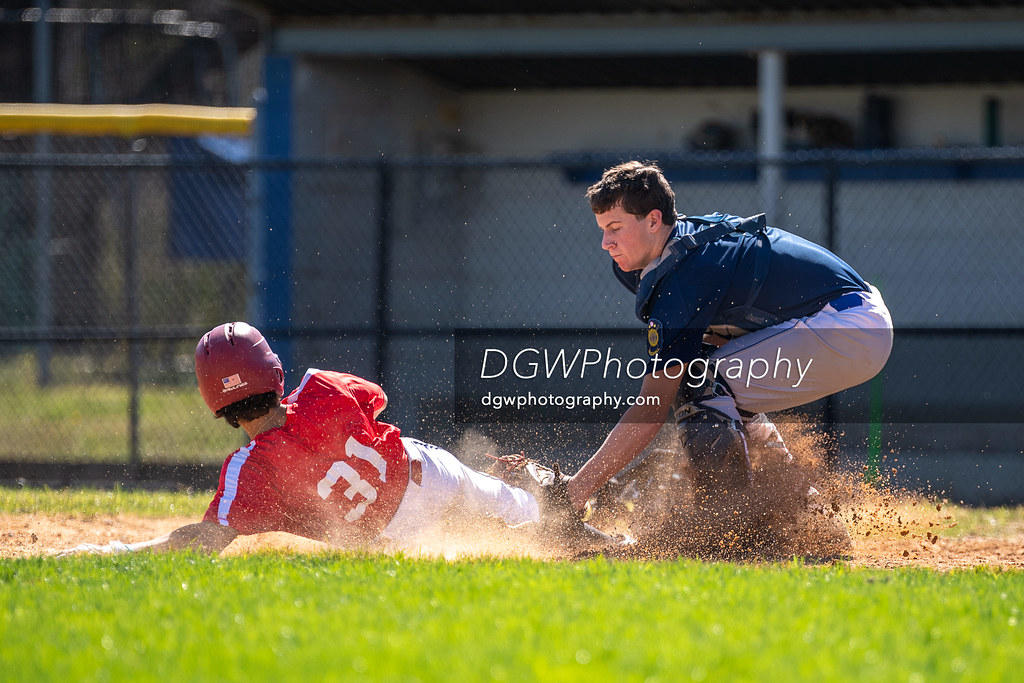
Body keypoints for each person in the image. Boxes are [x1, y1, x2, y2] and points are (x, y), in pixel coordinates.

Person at [62, 322, 590, 556]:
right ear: (273, 372)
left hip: (399, 533)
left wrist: (113, 550)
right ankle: (581, 511)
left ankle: (555, 529)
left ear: (214, 403)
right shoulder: (320, 386)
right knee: (537, 511)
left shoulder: (250, 469)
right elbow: (377, 400)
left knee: (504, 546)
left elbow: (203, 543)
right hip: (429, 471)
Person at [565, 160, 893, 511]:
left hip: (849, 327)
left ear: (654, 220)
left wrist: (575, 491)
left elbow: (652, 406)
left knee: (698, 383)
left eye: (615, 228)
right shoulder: (666, 254)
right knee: (712, 384)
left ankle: (729, 522)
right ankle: (805, 513)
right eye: (603, 229)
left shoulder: (684, 276)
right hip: (844, 319)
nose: (606, 242)